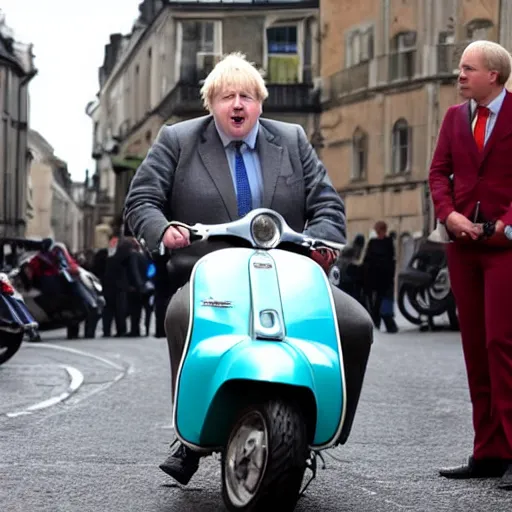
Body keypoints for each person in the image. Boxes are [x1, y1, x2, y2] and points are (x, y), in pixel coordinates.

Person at [124, 52, 373, 486]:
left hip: (290, 272)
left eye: (246, 96)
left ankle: (325, 429)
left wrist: (324, 241)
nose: (236, 105)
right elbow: (142, 199)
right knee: (181, 318)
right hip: (209, 271)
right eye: (226, 97)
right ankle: (191, 437)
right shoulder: (177, 140)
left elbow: (327, 203)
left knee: (355, 324)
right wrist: (163, 231)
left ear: (260, 102)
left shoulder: (293, 139)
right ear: (211, 104)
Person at [429, 40, 512, 489]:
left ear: (493, 76)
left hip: (505, 250)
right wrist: (449, 214)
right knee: (476, 349)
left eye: (467, 68)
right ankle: (489, 452)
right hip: (461, 245)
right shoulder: (453, 118)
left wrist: (505, 228)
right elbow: (438, 172)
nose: (459, 75)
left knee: (503, 345)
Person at [363, 221, 398, 333]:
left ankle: (382, 323)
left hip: (383, 278)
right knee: (376, 302)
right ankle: (377, 323)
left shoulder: (387, 242)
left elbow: (391, 260)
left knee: (381, 302)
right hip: (375, 277)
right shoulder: (375, 242)